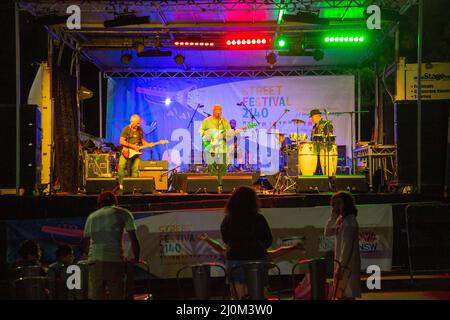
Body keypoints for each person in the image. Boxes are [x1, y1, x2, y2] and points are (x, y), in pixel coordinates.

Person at [83, 191, 140, 300]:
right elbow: (134, 239)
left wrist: (89, 256)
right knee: (116, 295)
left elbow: (86, 243)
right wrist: (136, 257)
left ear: (99, 203)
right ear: (116, 202)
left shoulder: (91, 216)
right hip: (114, 260)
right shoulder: (123, 213)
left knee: (97, 296)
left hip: (95, 261)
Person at [220, 186, 273, 299]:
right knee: (258, 292)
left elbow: (225, 239)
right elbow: (268, 240)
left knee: (238, 294)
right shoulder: (259, 218)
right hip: (256, 257)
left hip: (235, 257)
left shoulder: (228, 219)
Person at [324, 191, 361, 300]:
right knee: (341, 294)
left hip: (347, 264)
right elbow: (327, 232)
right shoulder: (342, 220)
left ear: (346, 204)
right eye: (334, 204)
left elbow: (347, 247)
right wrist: (333, 216)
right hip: (342, 263)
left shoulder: (349, 221)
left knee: (346, 293)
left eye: (339, 203)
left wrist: (341, 268)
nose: (336, 206)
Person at [118, 114, 158, 190]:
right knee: (121, 167)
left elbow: (142, 141)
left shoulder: (140, 130)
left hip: (137, 153)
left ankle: (133, 186)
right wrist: (133, 146)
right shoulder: (126, 129)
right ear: (132, 122)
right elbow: (121, 141)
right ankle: (121, 184)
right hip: (126, 152)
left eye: (139, 123)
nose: (138, 125)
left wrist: (149, 144)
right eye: (137, 123)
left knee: (135, 169)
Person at [199, 104, 232, 188]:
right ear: (213, 111)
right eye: (216, 109)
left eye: (220, 110)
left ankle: (222, 187)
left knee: (223, 170)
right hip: (211, 149)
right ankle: (212, 187)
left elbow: (230, 133)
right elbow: (200, 130)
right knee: (212, 169)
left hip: (222, 149)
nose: (218, 111)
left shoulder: (225, 121)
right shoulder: (206, 121)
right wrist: (205, 133)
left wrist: (226, 135)